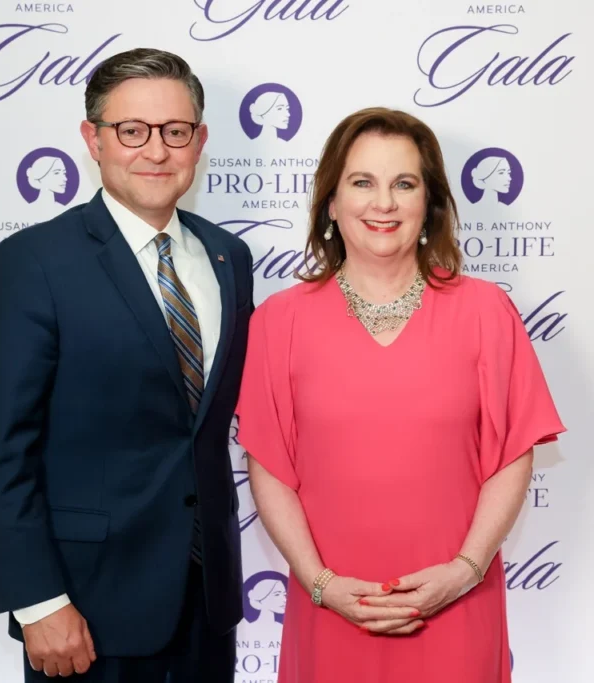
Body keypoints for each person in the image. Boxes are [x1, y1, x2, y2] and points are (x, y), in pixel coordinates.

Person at [235, 107, 565, 682]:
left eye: (404, 184)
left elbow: (513, 456)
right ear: (331, 203)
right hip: (332, 608)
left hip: (457, 604)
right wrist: (321, 583)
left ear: (429, 202)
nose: (383, 203)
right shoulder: (278, 321)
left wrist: (464, 571)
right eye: (362, 182)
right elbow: (269, 467)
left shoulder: (486, 311)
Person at [0, 48, 255, 682]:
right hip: (85, 609)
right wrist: (38, 601)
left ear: (200, 140)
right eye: (132, 131)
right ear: (93, 140)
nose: (157, 151)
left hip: (207, 604)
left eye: (175, 131)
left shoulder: (228, 256)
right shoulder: (33, 263)